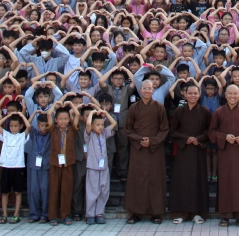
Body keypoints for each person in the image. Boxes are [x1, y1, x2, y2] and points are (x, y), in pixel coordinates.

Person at [210, 83, 239, 227]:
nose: (232, 96)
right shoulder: (219, 112)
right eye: (229, 94)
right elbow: (211, 132)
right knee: (226, 182)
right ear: (225, 95)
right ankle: (225, 216)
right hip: (225, 154)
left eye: (235, 94)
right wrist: (224, 137)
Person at [124, 80, 170, 224]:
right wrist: (139, 139)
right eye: (144, 88)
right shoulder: (134, 108)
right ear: (140, 89)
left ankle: (156, 213)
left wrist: (153, 141)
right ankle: (135, 212)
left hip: (154, 149)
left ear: (153, 89)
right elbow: (128, 129)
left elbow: (164, 129)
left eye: (150, 89)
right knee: (136, 179)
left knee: (156, 180)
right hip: (138, 149)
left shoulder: (159, 107)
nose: (147, 91)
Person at [169, 81, 211, 224]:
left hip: (198, 150)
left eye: (195, 93)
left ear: (200, 95)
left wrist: (198, 139)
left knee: (197, 181)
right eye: (190, 93)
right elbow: (173, 131)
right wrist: (186, 139)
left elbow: (209, 131)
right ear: (185, 95)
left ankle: (197, 213)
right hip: (184, 150)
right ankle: (181, 213)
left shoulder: (205, 111)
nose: (193, 96)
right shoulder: (179, 111)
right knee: (182, 181)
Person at [0, 111, 31, 224]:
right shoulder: (5, 134)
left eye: (16, 126)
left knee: (17, 192)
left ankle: (16, 214)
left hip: (18, 166)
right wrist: (8, 116)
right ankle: (4, 214)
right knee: (5, 192)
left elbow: (28, 126)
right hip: (6, 166)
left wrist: (21, 116)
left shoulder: (22, 136)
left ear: (20, 126)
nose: (13, 128)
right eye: (11, 126)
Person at [83, 108, 116, 224]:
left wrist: (105, 113)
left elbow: (114, 123)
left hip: (104, 168)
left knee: (104, 191)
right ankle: (90, 214)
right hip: (92, 168)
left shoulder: (104, 134)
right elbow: (87, 123)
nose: (101, 127)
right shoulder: (89, 135)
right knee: (92, 191)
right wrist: (92, 113)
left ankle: (99, 213)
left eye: (102, 124)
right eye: (97, 125)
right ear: (92, 126)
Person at [48, 102, 78, 226]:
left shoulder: (72, 130)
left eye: (66, 119)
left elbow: (77, 114)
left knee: (66, 190)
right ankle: (53, 216)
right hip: (55, 163)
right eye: (60, 119)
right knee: (54, 190)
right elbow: (49, 113)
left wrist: (71, 105)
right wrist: (55, 105)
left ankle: (65, 215)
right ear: (56, 120)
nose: (63, 121)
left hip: (68, 163)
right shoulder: (53, 129)